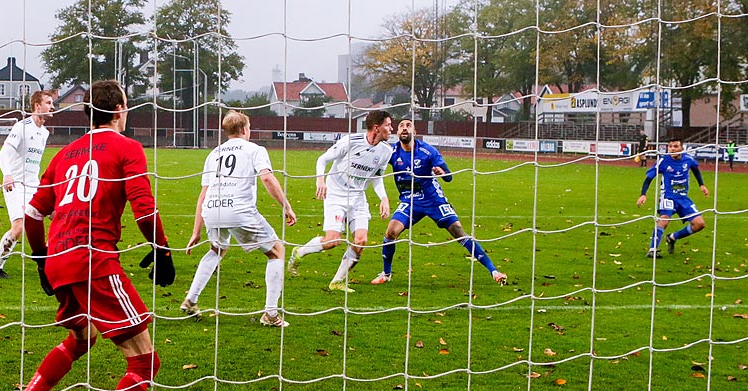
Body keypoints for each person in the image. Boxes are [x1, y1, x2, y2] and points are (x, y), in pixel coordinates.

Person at [1, 80, 175, 391]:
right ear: (119, 110)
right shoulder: (126, 146)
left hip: (61, 260)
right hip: (94, 259)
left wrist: (43, 262)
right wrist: (162, 250)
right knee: (145, 360)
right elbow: (144, 206)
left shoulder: (64, 154)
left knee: (81, 340)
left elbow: (32, 215)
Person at [181, 110, 298, 325]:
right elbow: (267, 179)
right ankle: (271, 314)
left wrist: (196, 231)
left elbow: (203, 193)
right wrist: (287, 206)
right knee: (277, 250)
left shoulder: (213, 153)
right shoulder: (255, 149)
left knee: (217, 249)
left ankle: (191, 299)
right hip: (238, 209)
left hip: (212, 209)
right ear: (245, 129)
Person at [371, 117, 507, 286]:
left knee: (458, 231)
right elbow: (374, 162)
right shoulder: (392, 152)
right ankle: (386, 274)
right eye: (401, 126)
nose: (404, 128)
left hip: (433, 199)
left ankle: (494, 271)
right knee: (390, 232)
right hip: (409, 199)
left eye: (408, 125)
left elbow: (449, 177)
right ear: (397, 133)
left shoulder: (428, 151)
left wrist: (441, 172)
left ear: (415, 132)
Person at [288, 110, 394, 293]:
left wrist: (383, 198)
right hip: (336, 193)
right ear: (376, 128)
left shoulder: (386, 151)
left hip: (358, 196)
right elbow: (323, 159)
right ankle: (299, 252)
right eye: (388, 125)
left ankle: (337, 281)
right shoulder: (350, 142)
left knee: (361, 240)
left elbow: (377, 176)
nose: (391, 129)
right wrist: (320, 179)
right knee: (332, 241)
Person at [0, 90, 54, 279]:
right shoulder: (22, 127)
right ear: (37, 106)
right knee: (18, 227)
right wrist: (7, 175)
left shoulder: (44, 132)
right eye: (48, 103)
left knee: (60, 217)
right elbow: (3, 154)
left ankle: (47, 259)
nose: (52, 106)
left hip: (34, 186)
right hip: (15, 185)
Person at [637, 138, 711, 258]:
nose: (672, 149)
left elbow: (696, 170)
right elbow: (649, 178)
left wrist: (701, 185)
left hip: (683, 198)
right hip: (668, 197)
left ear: (682, 148)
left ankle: (672, 237)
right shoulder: (663, 161)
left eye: (675, 146)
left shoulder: (688, 159)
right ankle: (652, 249)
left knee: (699, 224)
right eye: (670, 146)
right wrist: (643, 194)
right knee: (664, 220)